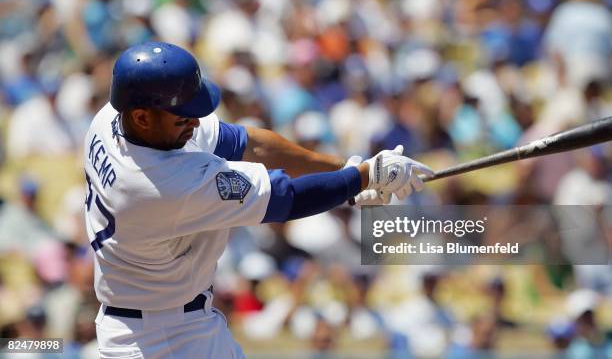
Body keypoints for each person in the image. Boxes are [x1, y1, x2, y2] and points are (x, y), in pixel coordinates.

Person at [84, 41, 433, 358]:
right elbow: (288, 198)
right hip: (154, 342)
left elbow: (252, 145)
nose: (194, 122)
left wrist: (347, 167)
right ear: (143, 117)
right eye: (183, 116)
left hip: (178, 320)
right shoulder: (162, 186)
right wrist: (363, 178)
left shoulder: (111, 120)